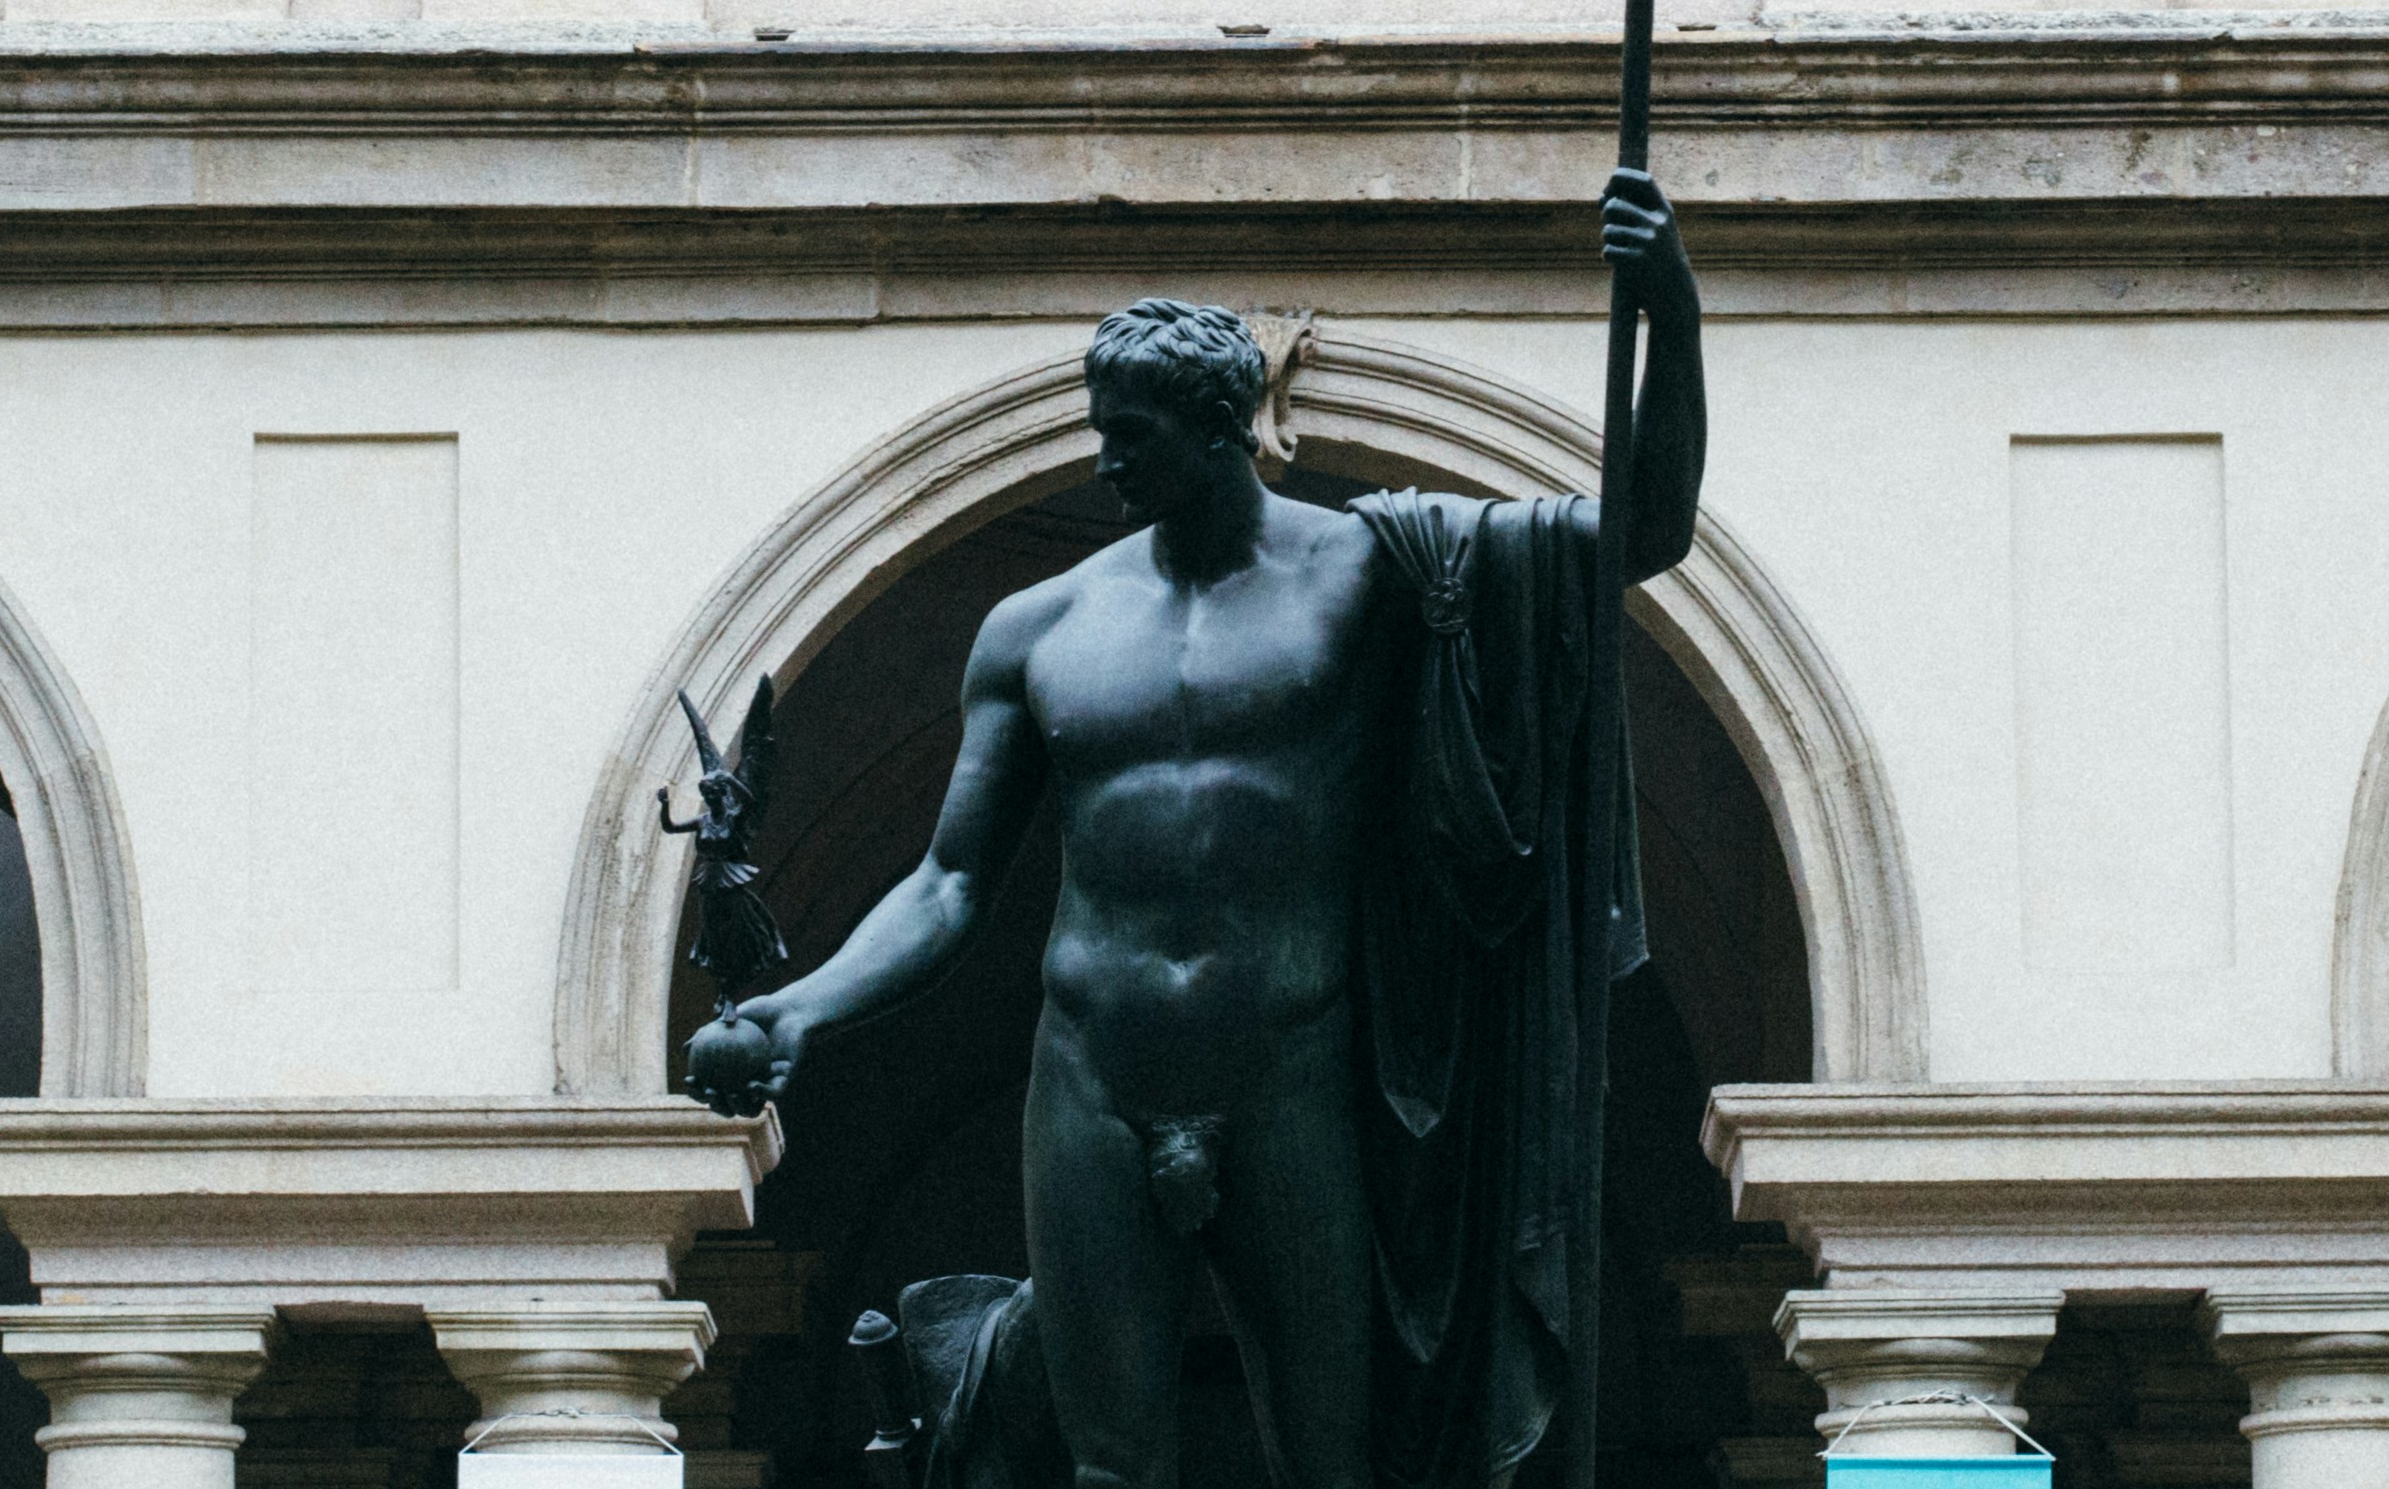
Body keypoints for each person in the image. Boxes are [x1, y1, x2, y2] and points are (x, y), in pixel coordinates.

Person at [685, 174, 1706, 1489]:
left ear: (1221, 426)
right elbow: (947, 883)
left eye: (1133, 433)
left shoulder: (1371, 571)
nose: (1104, 461)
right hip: (1092, 1081)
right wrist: (802, 1009)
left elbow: (1644, 529)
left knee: (1335, 1466)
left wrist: (1670, 308)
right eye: (1101, 430)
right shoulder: (1039, 628)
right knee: (1110, 1467)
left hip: (1289, 1077)